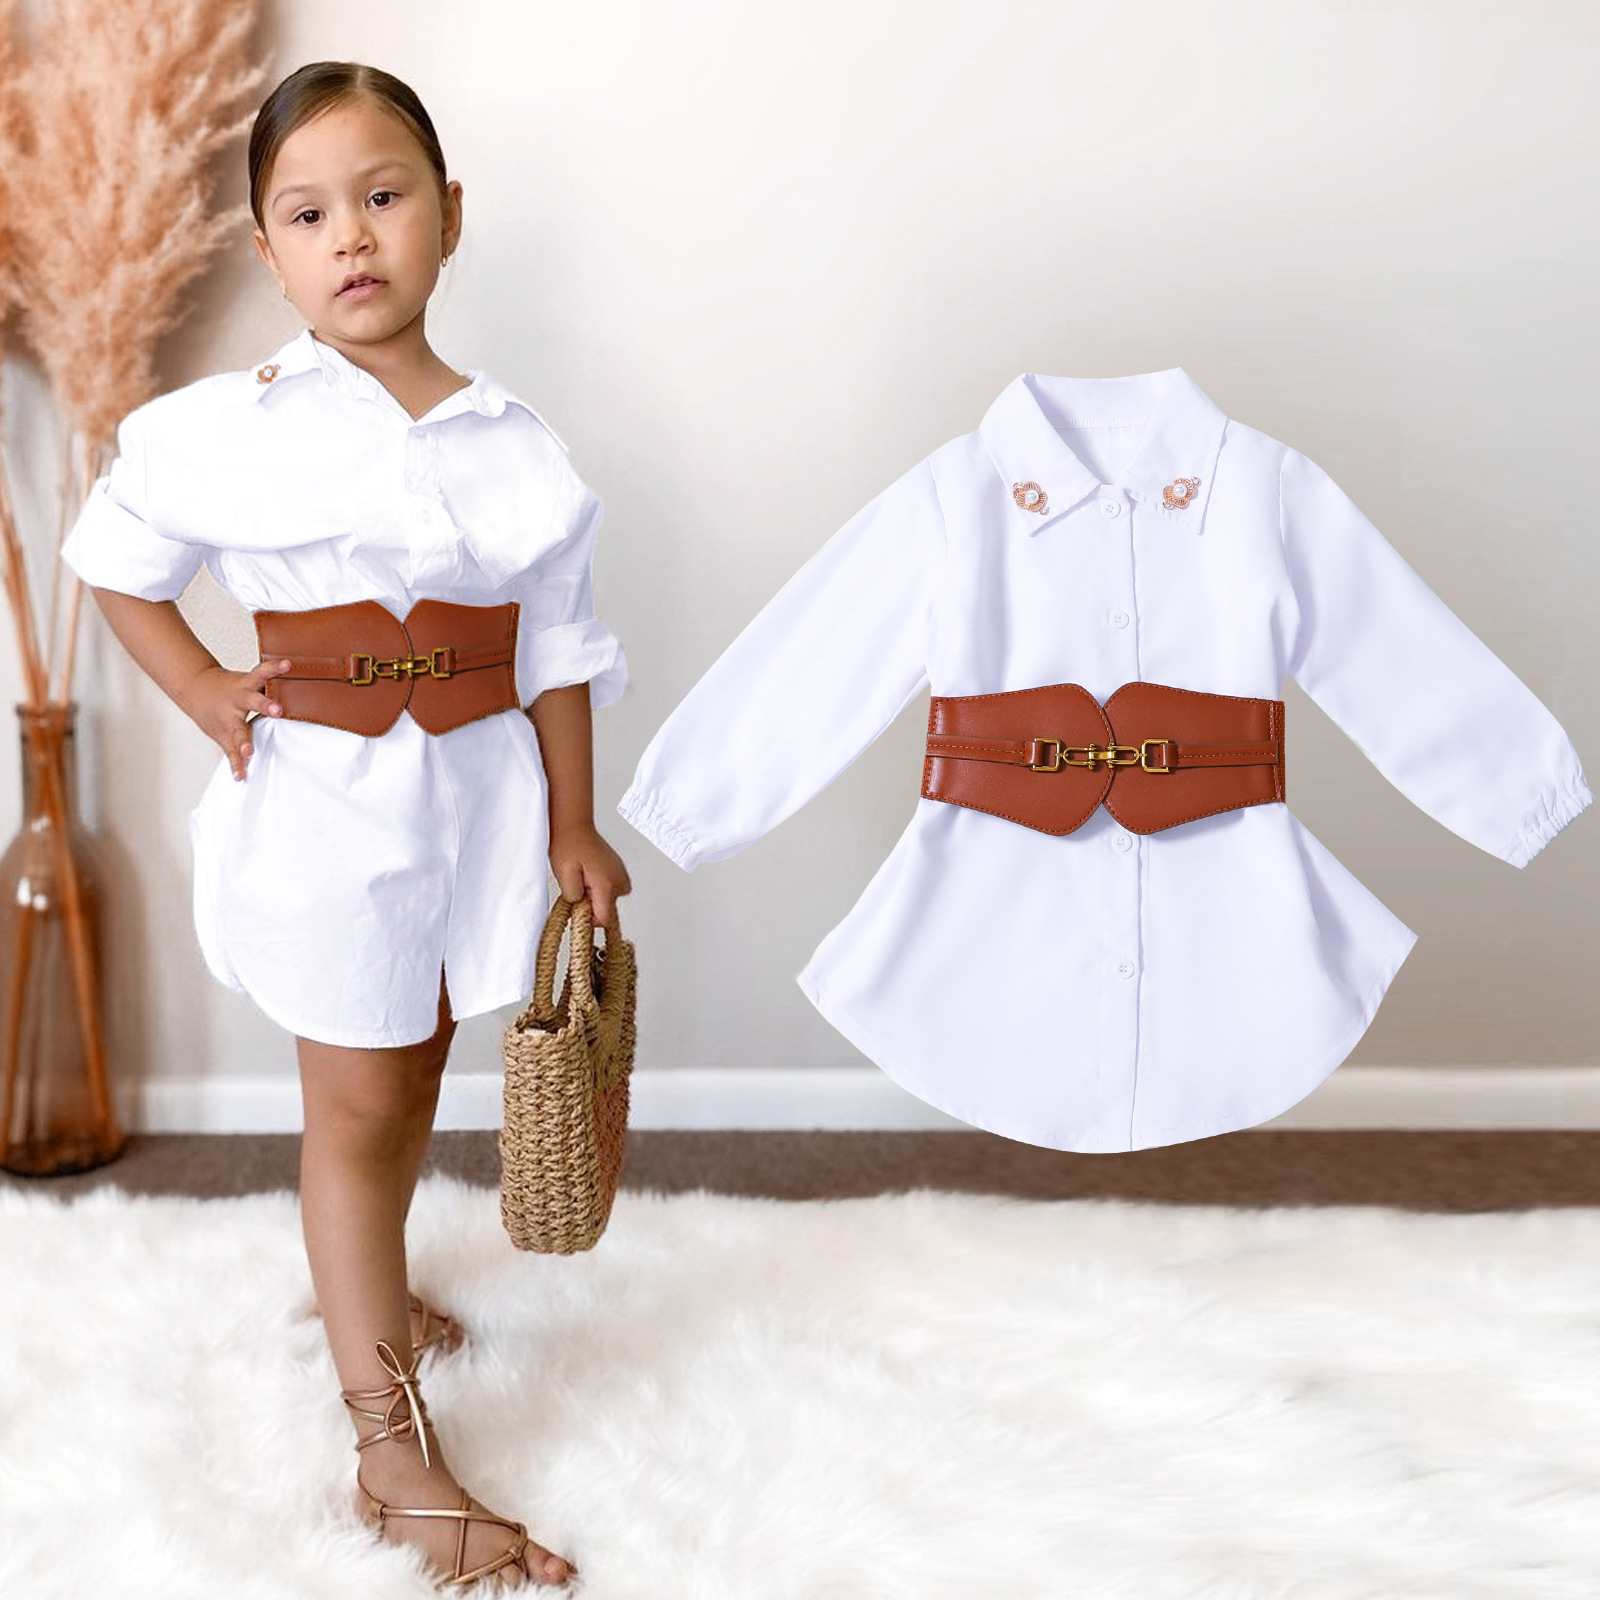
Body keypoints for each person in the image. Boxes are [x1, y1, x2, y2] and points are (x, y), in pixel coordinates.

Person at [60, 60, 631, 1590]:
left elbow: (558, 649)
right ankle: (389, 1452)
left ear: (450, 213)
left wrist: (575, 823)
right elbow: (115, 561)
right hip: (329, 814)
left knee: (414, 1066)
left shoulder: (517, 443)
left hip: (476, 806)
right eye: (309, 215)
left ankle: (362, 1281)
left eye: (384, 197)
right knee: (360, 1104)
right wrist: (203, 687)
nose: (353, 237)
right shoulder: (224, 429)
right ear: (270, 251)